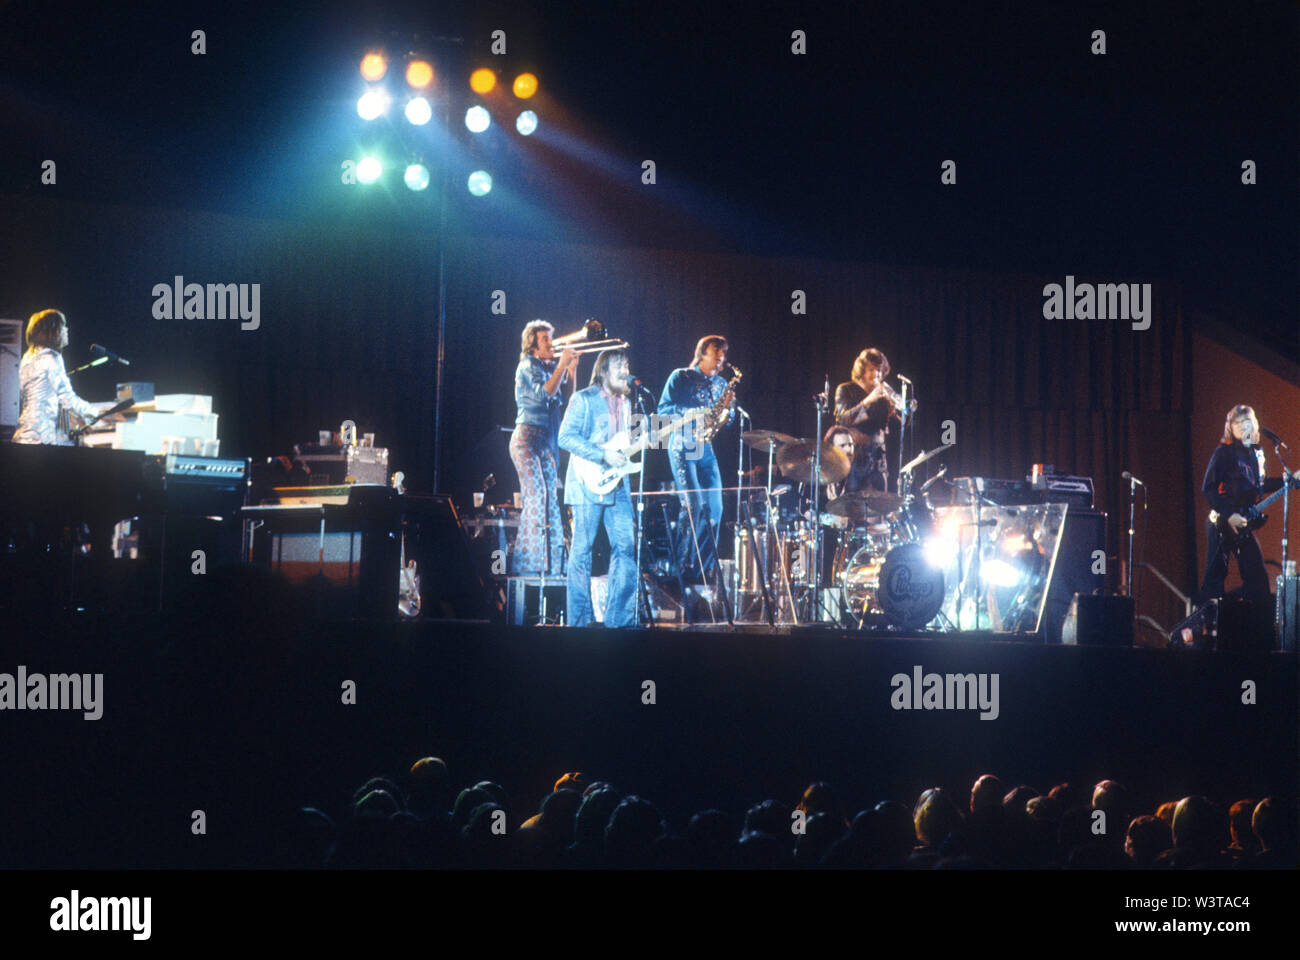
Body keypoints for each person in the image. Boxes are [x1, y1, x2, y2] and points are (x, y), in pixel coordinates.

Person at [558, 348, 637, 627]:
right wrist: (602, 454)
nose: (625, 371)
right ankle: (579, 621)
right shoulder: (583, 399)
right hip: (585, 481)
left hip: (617, 484)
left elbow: (621, 443)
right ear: (603, 371)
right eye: (619, 366)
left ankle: (620, 621)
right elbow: (565, 437)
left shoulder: (627, 403)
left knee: (627, 547)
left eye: (627, 365)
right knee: (582, 551)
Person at [658, 335, 734, 583]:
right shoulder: (680, 376)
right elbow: (663, 410)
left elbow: (727, 419)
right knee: (693, 507)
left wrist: (727, 412)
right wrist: (690, 412)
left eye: (723, 352)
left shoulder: (722, 383)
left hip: (705, 448)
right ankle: (680, 569)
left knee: (715, 508)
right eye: (716, 351)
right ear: (702, 352)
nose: (721, 356)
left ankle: (702, 572)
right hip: (682, 445)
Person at [508, 320, 578, 577]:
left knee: (551, 501)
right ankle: (529, 566)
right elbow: (544, 395)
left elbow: (567, 400)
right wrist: (561, 366)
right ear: (533, 346)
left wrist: (571, 370)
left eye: (552, 337)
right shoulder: (527, 366)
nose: (553, 343)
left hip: (545, 441)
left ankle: (551, 567)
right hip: (526, 439)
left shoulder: (549, 368)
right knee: (536, 497)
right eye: (546, 339)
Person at [1197, 405, 1273, 617]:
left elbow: (1260, 485)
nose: (1243, 426)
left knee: (1257, 579)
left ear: (1254, 424)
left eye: (1246, 422)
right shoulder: (1224, 452)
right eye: (1238, 423)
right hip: (1221, 521)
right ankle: (1207, 628)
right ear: (1231, 427)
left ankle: (1256, 633)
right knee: (1215, 577)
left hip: (1243, 523)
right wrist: (1229, 514)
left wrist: (1288, 480)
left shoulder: (1256, 453)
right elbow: (1208, 488)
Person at [13, 309, 106, 445]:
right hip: (42, 438)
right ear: (54, 332)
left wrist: (73, 422)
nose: (67, 330)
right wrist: (99, 415)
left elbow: (48, 400)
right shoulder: (51, 358)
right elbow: (68, 399)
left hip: (24, 435)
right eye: (63, 327)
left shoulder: (28, 359)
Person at [834, 347, 902, 493]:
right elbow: (843, 419)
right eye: (871, 369)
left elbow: (895, 428)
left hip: (878, 461)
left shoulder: (882, 397)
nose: (876, 374)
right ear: (862, 370)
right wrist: (867, 401)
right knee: (852, 508)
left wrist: (896, 412)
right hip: (854, 460)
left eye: (878, 370)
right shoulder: (845, 389)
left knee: (878, 509)